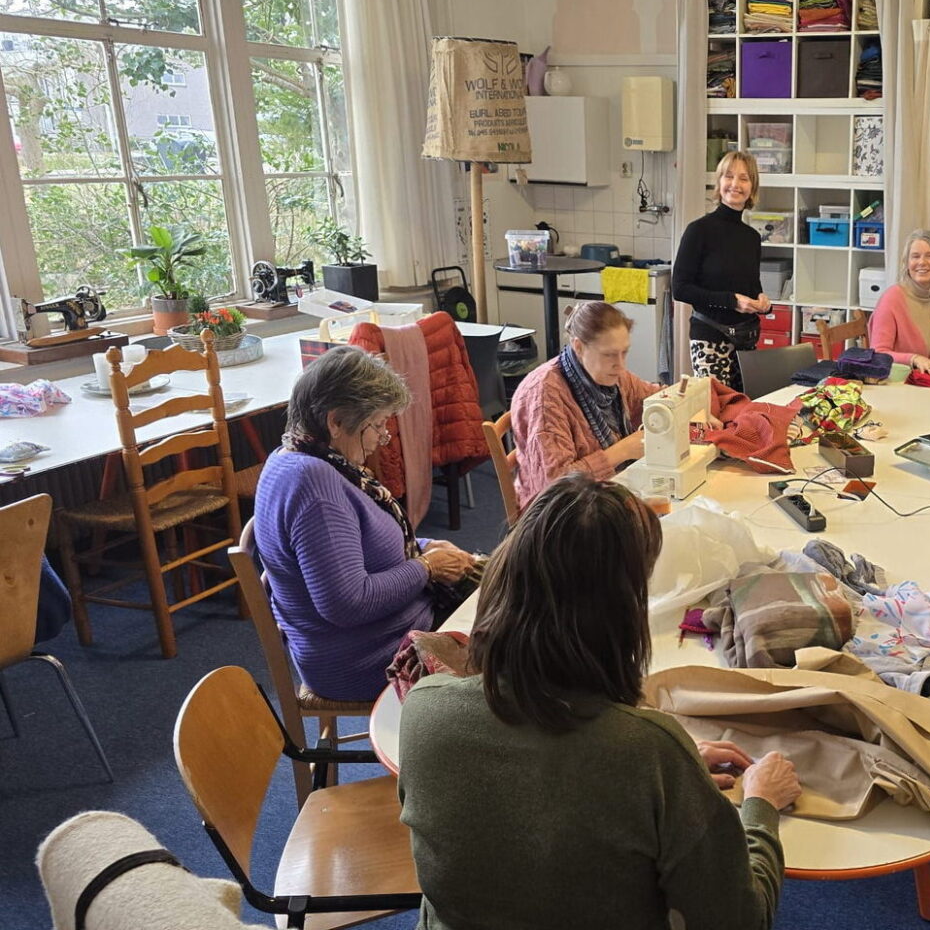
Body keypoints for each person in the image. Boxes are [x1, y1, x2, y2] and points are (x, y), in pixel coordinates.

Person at [398, 473, 801, 930]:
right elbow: (739, 921)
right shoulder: (650, 751)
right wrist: (761, 805)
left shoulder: (425, 709)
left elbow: (523, 809)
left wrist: (671, 779)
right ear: (624, 609)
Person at [254, 347, 478, 701]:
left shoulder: (299, 457)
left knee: (507, 600)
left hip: (383, 632)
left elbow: (357, 546)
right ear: (335, 422)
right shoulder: (313, 486)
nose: (381, 438)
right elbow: (348, 604)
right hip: (363, 659)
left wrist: (423, 548)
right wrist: (427, 567)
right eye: (376, 425)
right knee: (515, 637)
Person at [509, 301, 720, 510]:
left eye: (624, 352)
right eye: (609, 354)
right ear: (579, 347)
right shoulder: (544, 396)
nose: (620, 365)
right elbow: (554, 484)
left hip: (602, 493)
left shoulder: (612, 378)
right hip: (560, 513)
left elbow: (658, 398)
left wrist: (692, 410)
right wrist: (622, 451)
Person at [672, 151, 772, 391]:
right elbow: (680, 289)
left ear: (752, 187)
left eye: (744, 178)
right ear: (719, 182)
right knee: (715, 407)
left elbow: (751, 285)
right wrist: (731, 301)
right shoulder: (699, 231)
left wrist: (762, 301)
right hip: (709, 337)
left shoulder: (751, 237)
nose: (735, 184)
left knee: (744, 407)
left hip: (745, 339)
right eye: (729, 176)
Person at [868, 229, 930, 377]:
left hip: (922, 383)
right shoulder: (891, 299)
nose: (922, 262)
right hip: (894, 383)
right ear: (907, 263)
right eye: (915, 256)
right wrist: (914, 359)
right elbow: (878, 354)